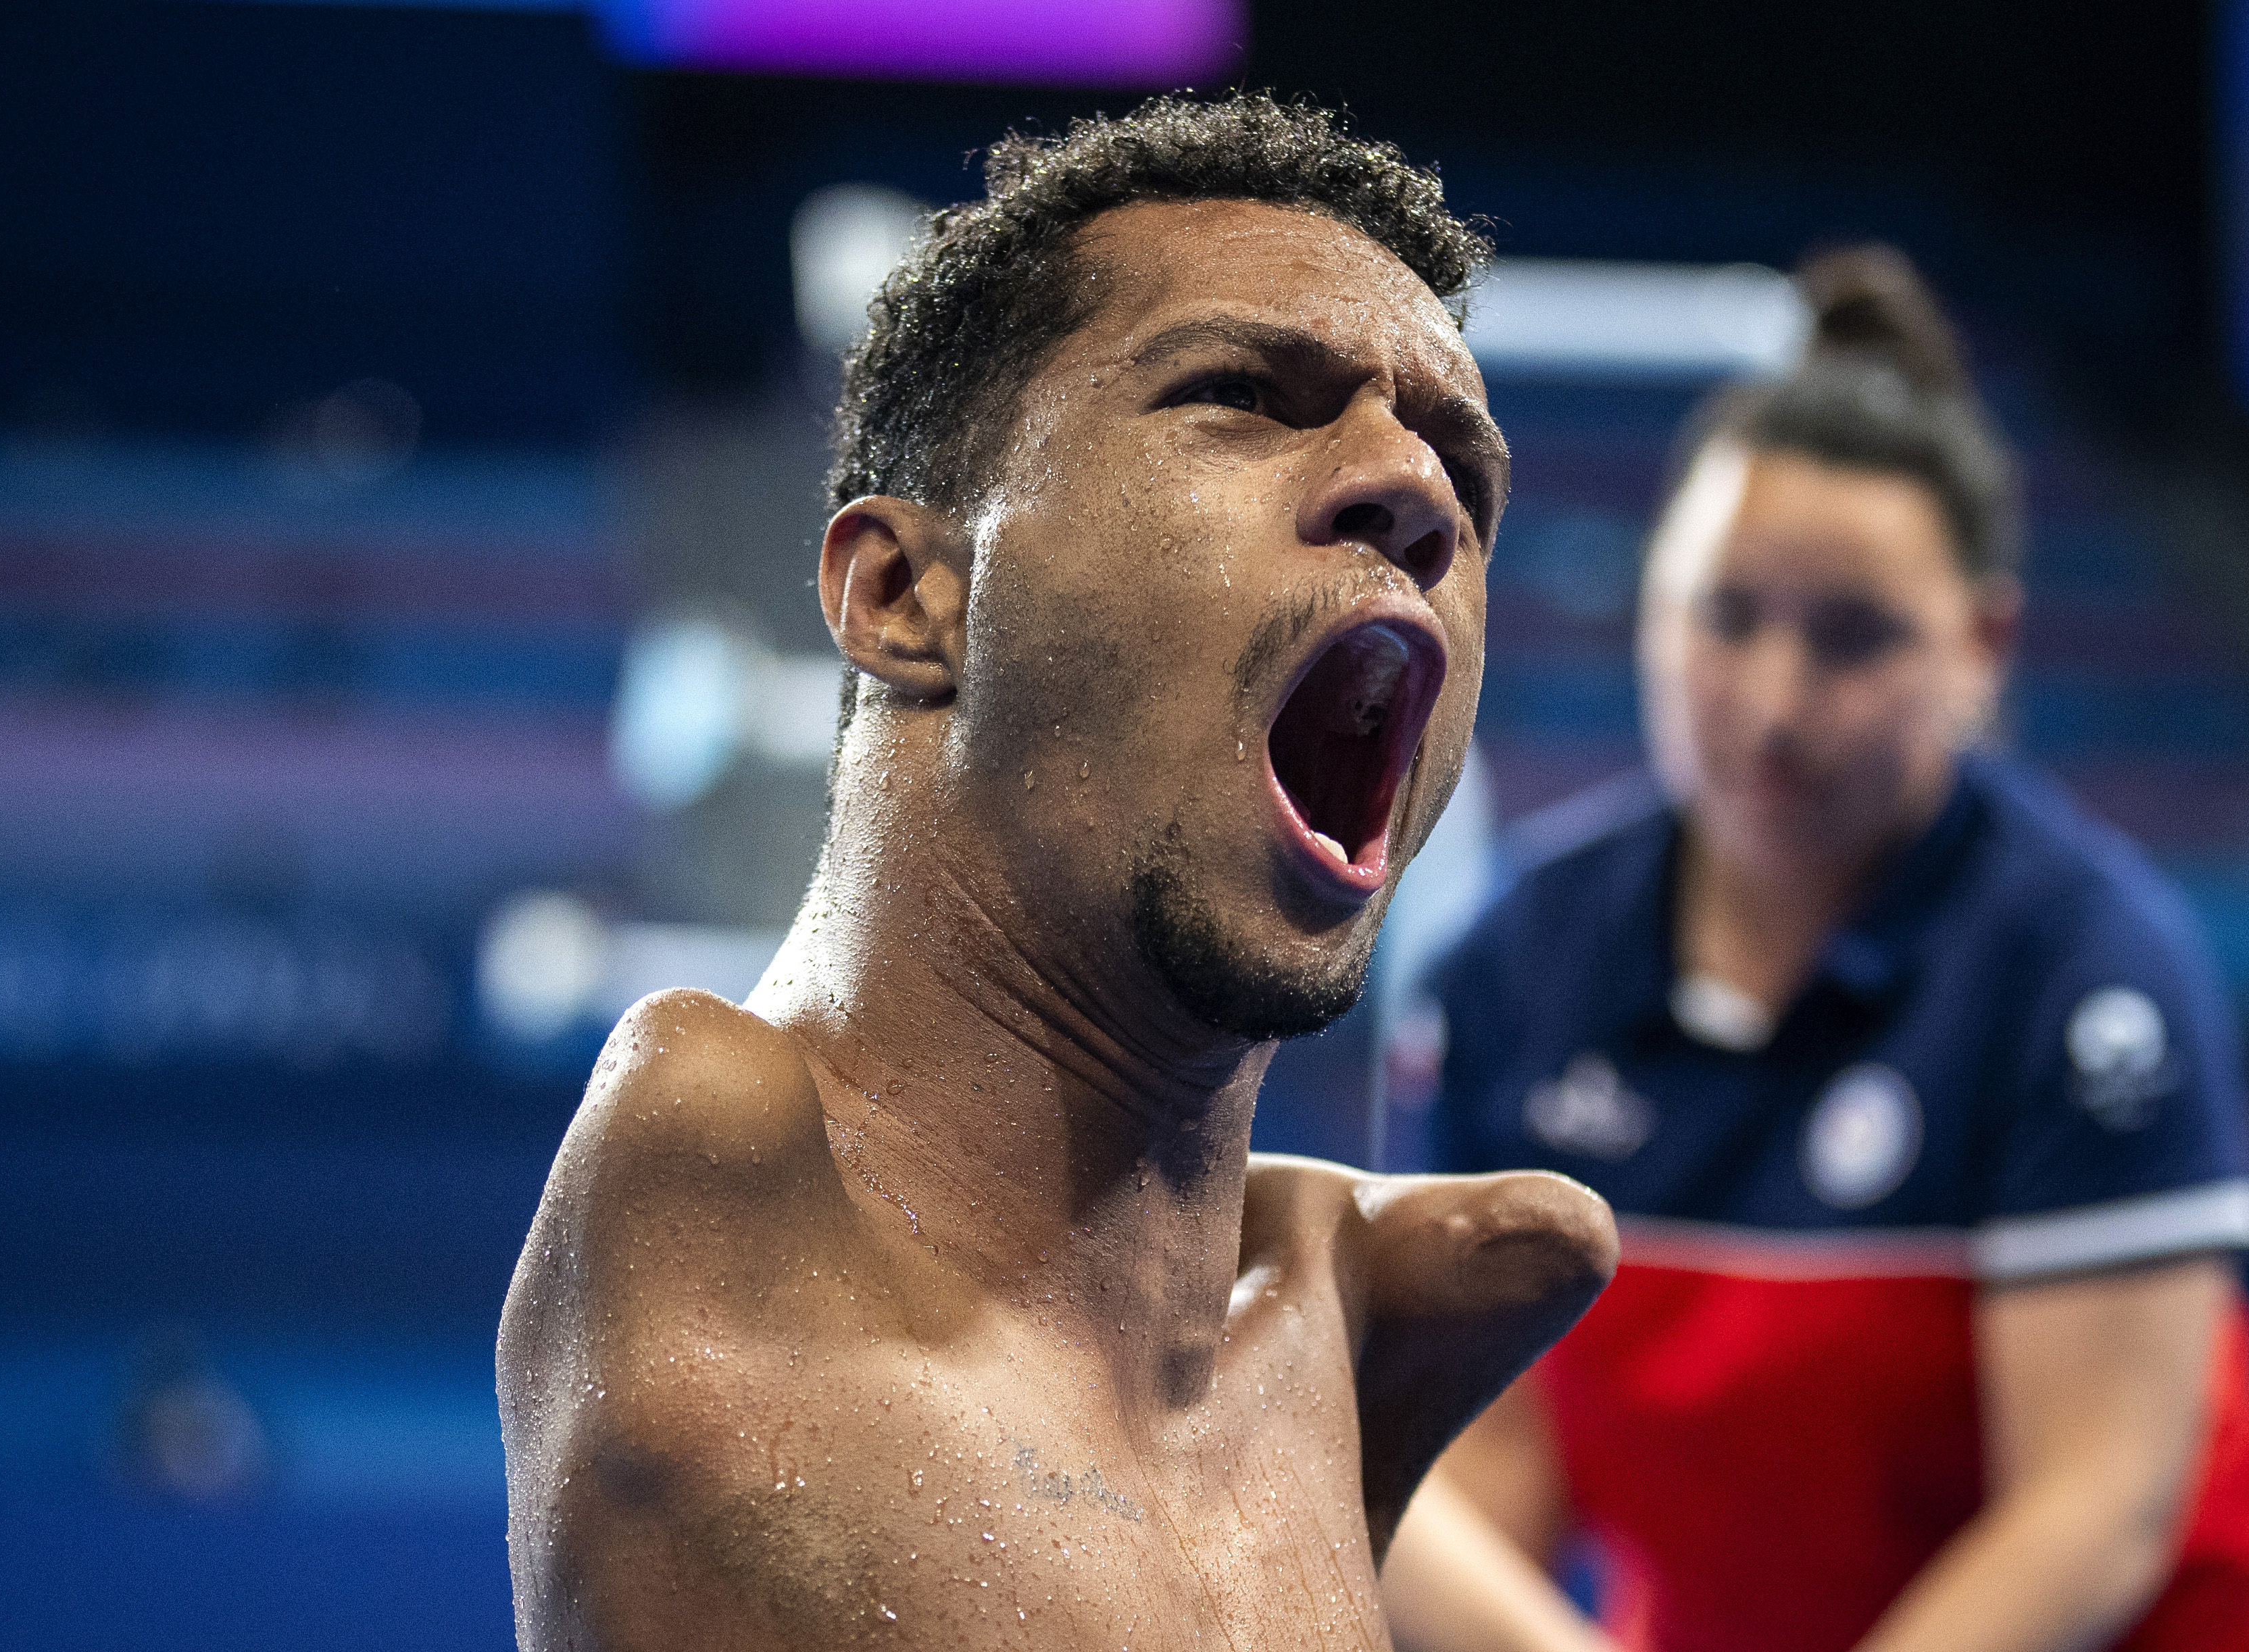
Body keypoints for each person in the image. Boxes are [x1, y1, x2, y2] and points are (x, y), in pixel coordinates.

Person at [494, 95, 1616, 1652]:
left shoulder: (1332, 1327)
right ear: (901, 594)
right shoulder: (714, 1148)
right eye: (1241, 393)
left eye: (1461, 475)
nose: (1413, 491)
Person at [1381, 248, 2249, 1652]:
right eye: (1724, 615)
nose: (1772, 701)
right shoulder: (1509, 968)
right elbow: (1482, 1465)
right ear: (1653, 611)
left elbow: (2095, 1507)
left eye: (1852, 637)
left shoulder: (2091, 970)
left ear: (1983, 646)